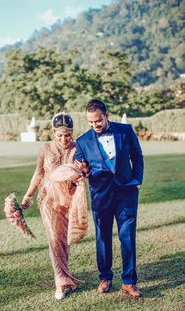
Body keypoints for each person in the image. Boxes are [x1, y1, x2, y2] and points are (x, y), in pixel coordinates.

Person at [75, 99, 144, 298]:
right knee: (103, 238)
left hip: (126, 194)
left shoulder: (125, 130)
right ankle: (105, 277)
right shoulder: (82, 142)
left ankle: (129, 282)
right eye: (90, 122)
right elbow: (80, 169)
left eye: (97, 121)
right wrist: (84, 170)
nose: (94, 125)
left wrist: (137, 180)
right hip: (101, 196)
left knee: (127, 237)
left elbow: (137, 156)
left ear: (106, 114)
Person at [21, 112, 88, 300]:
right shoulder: (45, 148)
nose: (64, 139)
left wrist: (83, 172)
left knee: (63, 240)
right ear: (53, 132)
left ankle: (66, 276)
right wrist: (27, 196)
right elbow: (39, 174)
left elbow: (85, 172)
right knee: (53, 238)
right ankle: (60, 281)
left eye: (68, 135)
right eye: (60, 135)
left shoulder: (78, 148)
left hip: (68, 201)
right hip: (48, 200)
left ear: (72, 133)